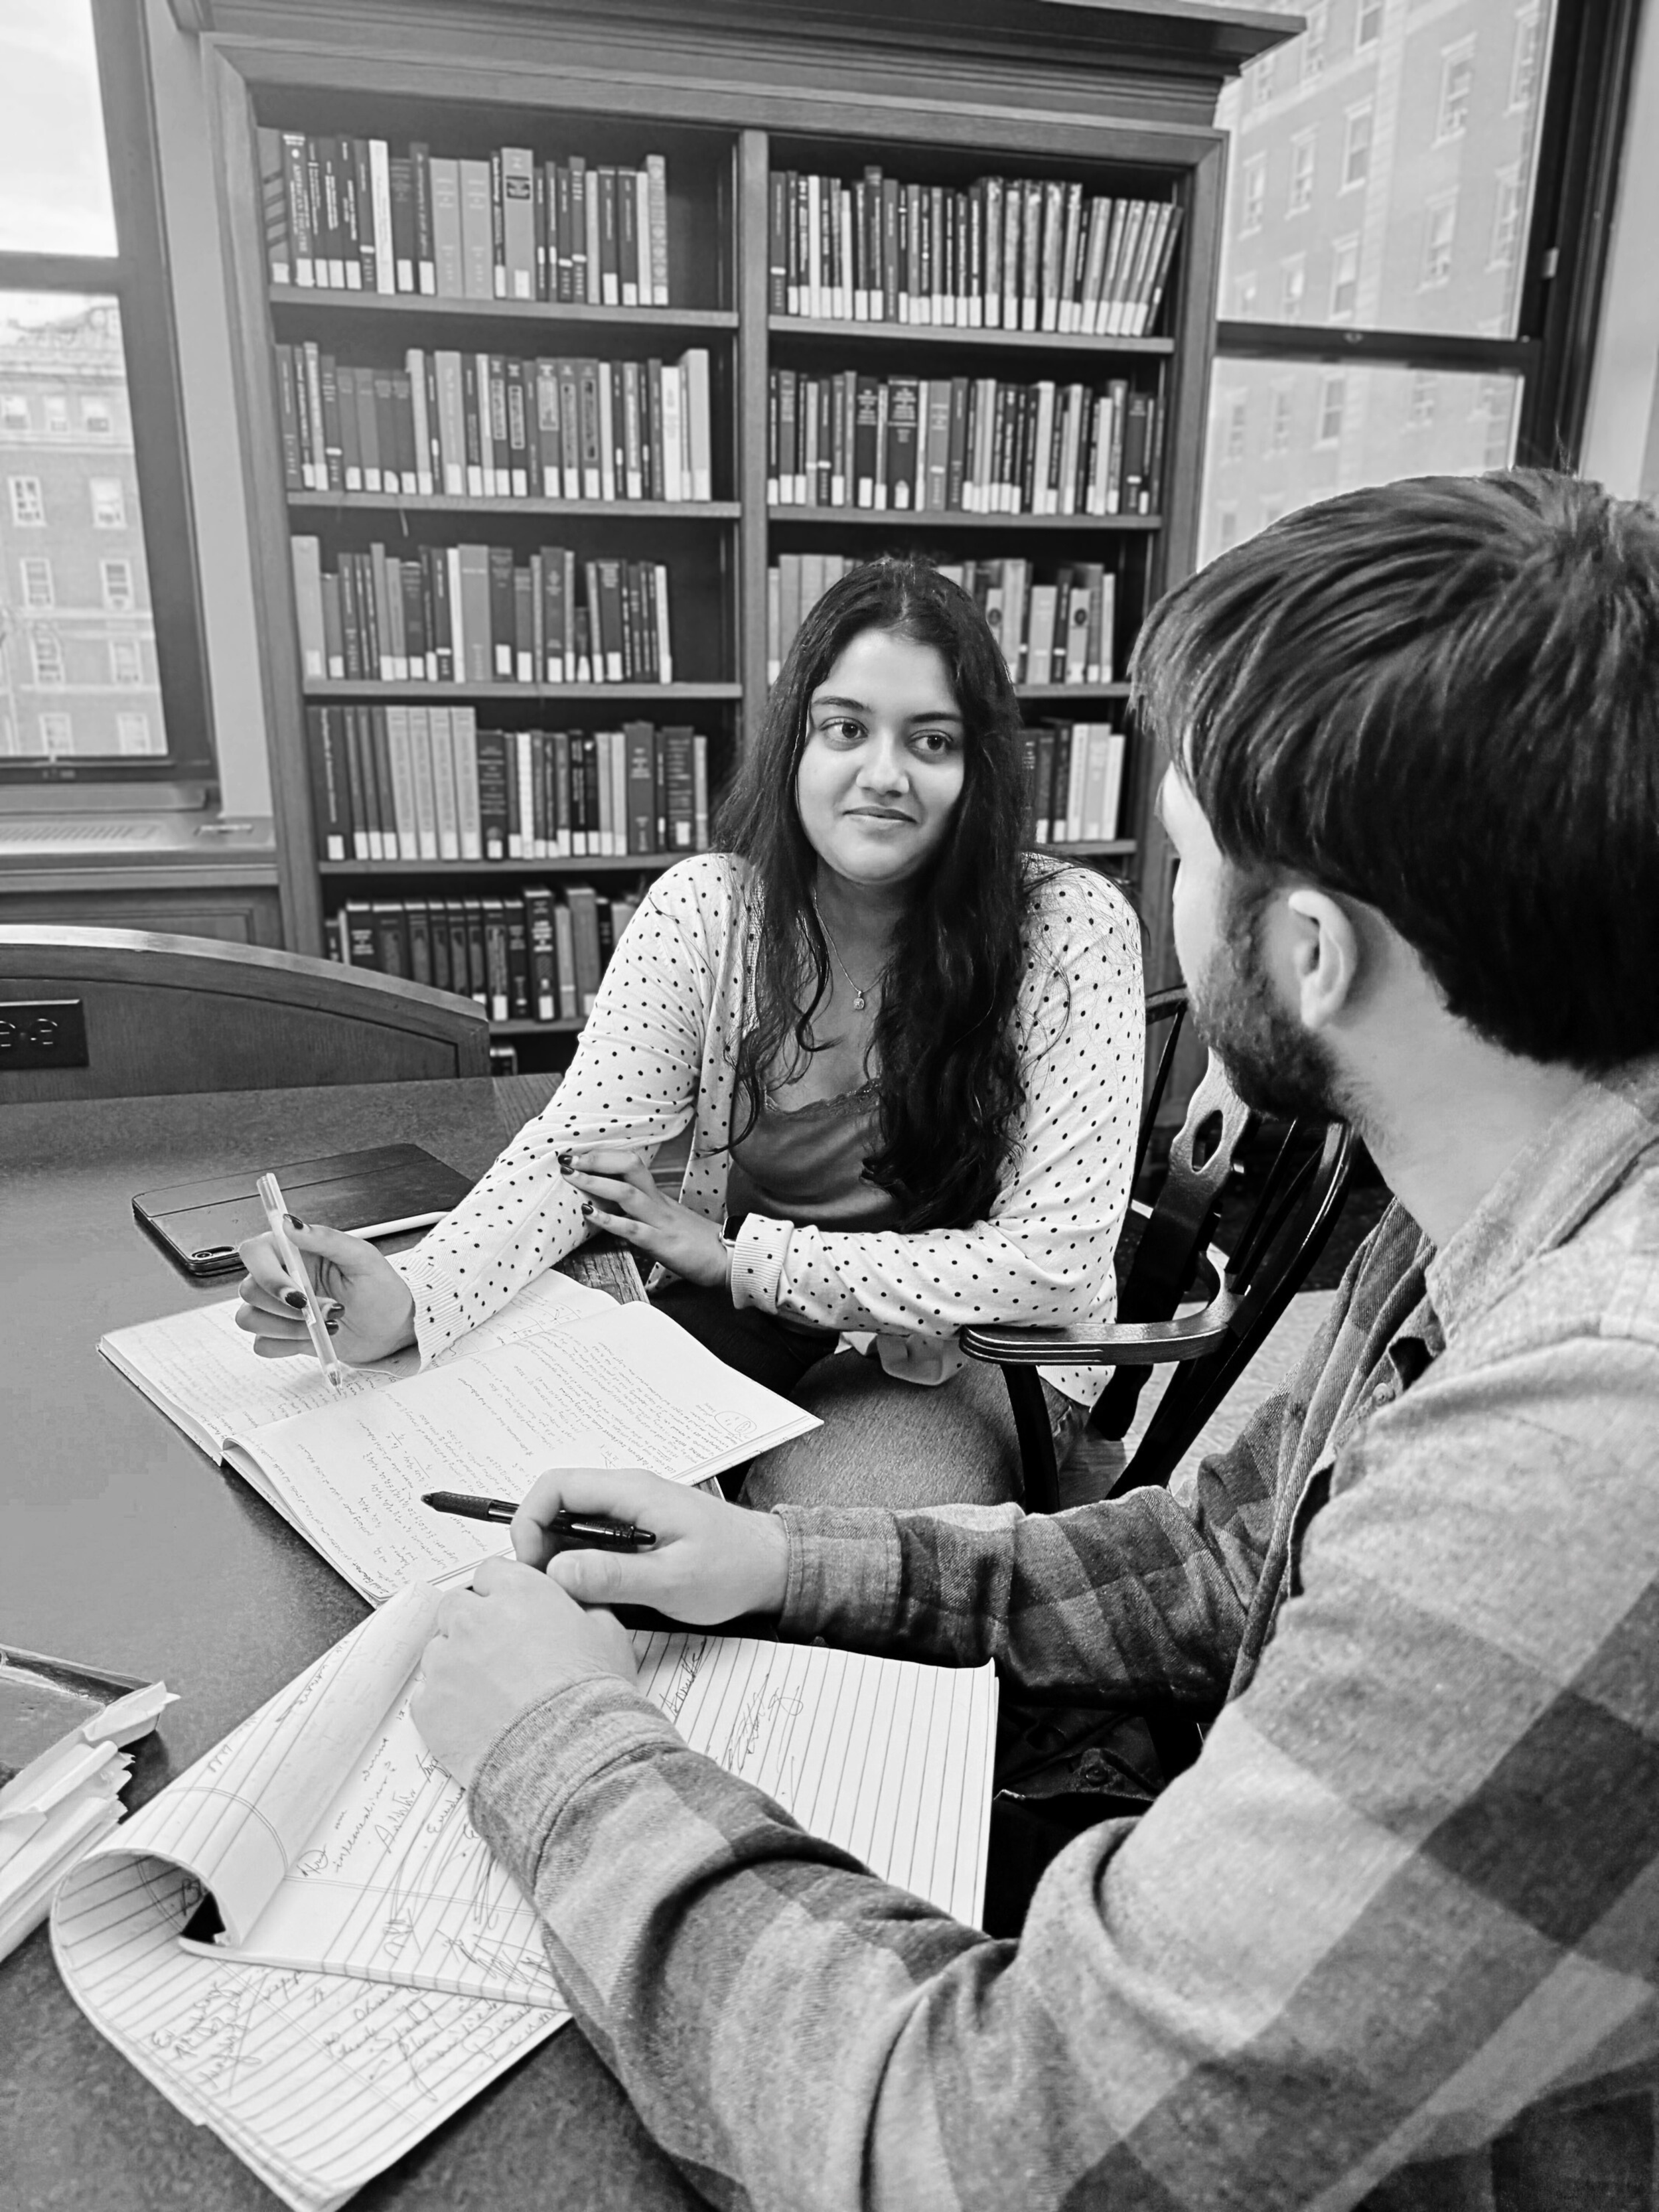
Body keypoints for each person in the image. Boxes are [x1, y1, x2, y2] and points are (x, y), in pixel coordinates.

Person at [411, 471, 1659, 2210]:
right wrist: (783, 1558)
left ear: (1302, 950)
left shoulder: (1584, 1445)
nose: (1158, 897)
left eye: (1186, 851)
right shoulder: (1471, 1212)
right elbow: (1240, 1555)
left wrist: (559, 1753)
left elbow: (1006, 2144)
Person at [238, 557, 1143, 1510]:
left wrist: (741, 1258)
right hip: (759, 1309)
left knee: (823, 1540)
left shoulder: (1069, 927)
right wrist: (418, 1296)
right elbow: (577, 1158)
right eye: (845, 728)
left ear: (978, 769)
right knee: (543, 1481)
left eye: (931, 740)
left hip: (978, 1352)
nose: (884, 774)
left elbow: (1052, 1261)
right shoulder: (710, 909)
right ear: (795, 739)